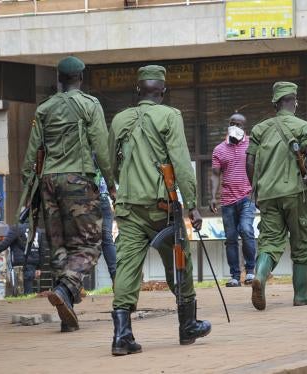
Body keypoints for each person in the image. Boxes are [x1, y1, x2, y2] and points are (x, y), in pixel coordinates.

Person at [108, 65, 211, 356]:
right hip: (161, 207)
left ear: (137, 90)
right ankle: (187, 325)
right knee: (180, 260)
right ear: (163, 93)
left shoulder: (119, 119)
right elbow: (180, 163)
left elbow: (111, 164)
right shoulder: (169, 116)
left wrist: (126, 187)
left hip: (128, 206)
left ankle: (121, 336)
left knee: (127, 265)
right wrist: (192, 205)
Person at [21, 56, 116, 333]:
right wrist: (110, 183)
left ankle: (68, 313)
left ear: (59, 80)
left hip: (48, 182)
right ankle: (64, 290)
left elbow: (31, 156)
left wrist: (29, 192)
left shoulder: (45, 108)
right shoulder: (90, 105)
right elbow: (101, 146)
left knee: (59, 245)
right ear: (81, 79)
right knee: (89, 243)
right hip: (78, 179)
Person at [246, 81, 307, 310]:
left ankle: (261, 276)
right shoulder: (303, 126)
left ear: (275, 104)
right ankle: (302, 294)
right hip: (295, 192)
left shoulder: (259, 129)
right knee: (302, 240)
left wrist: (256, 188)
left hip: (267, 194)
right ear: (294, 101)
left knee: (270, 241)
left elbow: (249, 162)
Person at [210, 113, 256, 287]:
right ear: (228, 125)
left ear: (245, 128)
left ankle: (250, 271)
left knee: (246, 230)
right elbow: (215, 175)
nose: (236, 127)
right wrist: (213, 197)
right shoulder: (219, 149)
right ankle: (235, 276)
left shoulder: (252, 144)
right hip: (228, 200)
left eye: (240, 125)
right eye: (233, 123)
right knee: (230, 238)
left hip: (247, 196)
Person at [0, 223, 44, 295]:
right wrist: (39, 268)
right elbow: (42, 251)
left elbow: (4, 245)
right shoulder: (38, 230)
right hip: (32, 266)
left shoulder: (16, 228)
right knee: (28, 292)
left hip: (20, 267)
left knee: (21, 294)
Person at [95, 169, 116, 282]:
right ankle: (117, 278)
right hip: (103, 199)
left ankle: (74, 283)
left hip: (89, 199)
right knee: (107, 239)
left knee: (81, 240)